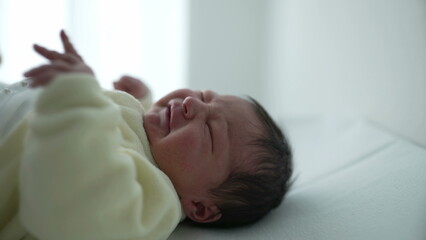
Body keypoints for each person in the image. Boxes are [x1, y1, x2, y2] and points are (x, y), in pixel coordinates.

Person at [0, 31, 293, 240]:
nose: (193, 103)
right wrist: (143, 99)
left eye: (210, 130)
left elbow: (79, 210)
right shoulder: (154, 142)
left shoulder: (155, 201)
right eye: (205, 95)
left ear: (200, 207)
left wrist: (79, 101)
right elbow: (132, 133)